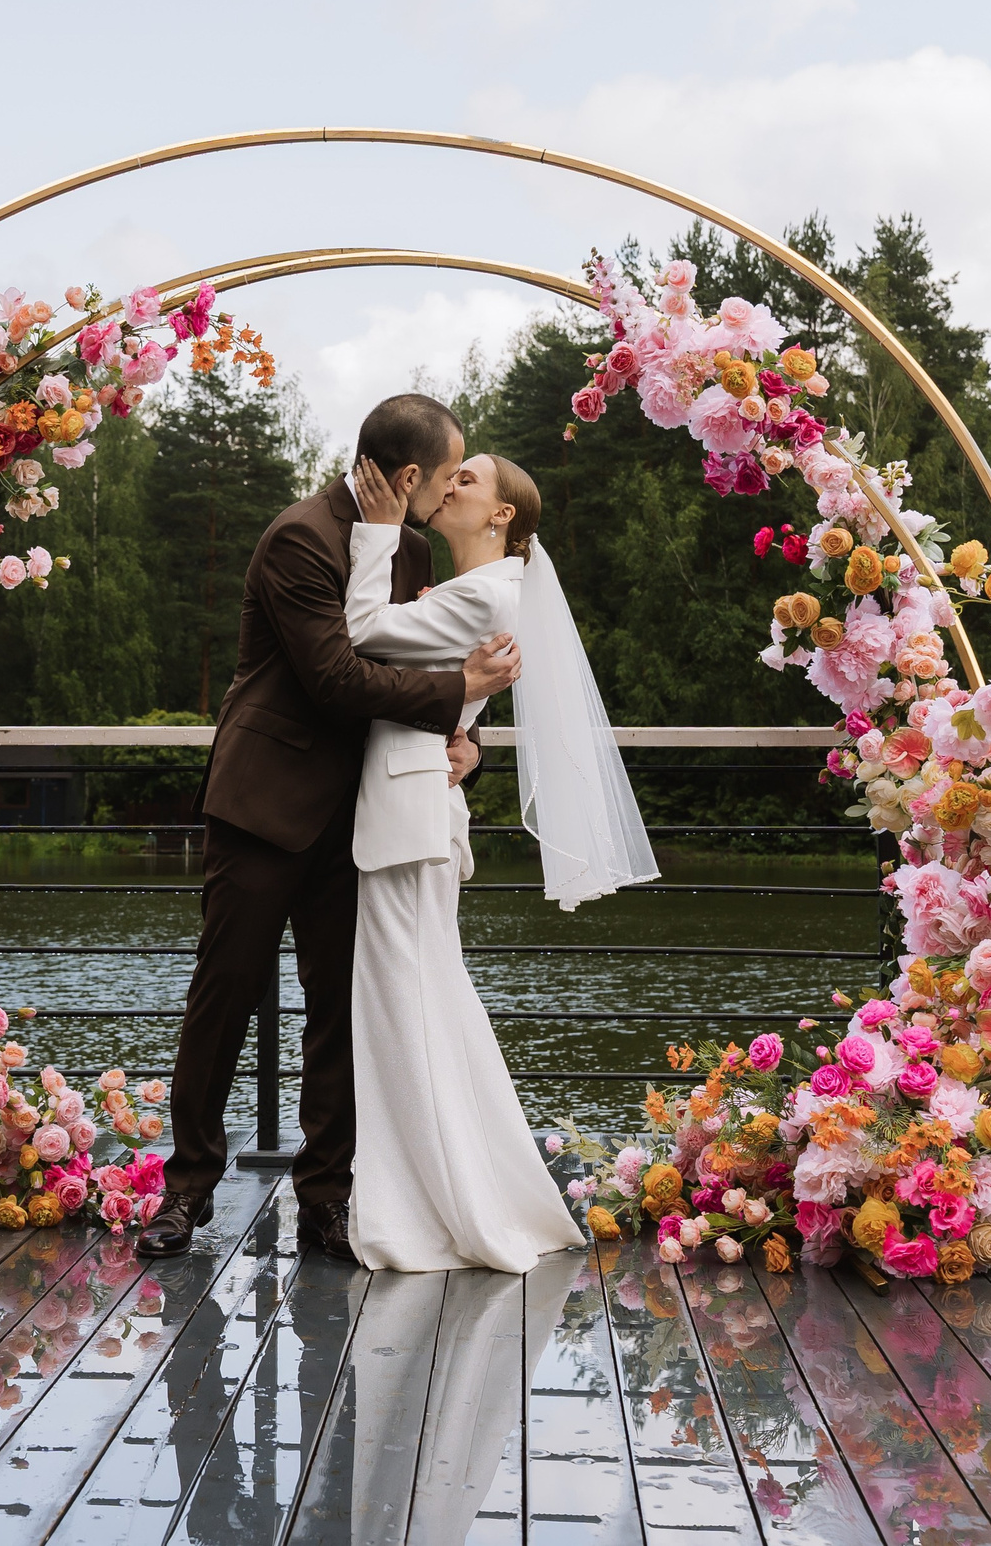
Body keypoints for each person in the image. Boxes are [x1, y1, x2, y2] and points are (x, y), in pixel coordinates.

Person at [139, 394, 520, 1263]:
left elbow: (434, 666)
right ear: (413, 475)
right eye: (446, 473)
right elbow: (335, 680)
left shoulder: (417, 549)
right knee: (223, 995)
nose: (445, 492)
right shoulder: (299, 538)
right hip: (264, 805)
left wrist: (472, 745)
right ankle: (185, 1191)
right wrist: (452, 691)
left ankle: (328, 1200)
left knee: (340, 1010)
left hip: (362, 819)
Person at [341, 451, 658, 1271]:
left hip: (408, 814)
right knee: (423, 1001)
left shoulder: (488, 590)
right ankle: (454, 1189)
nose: (450, 486)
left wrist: (377, 533)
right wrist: (470, 743)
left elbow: (361, 636)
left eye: (467, 481)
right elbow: (440, 677)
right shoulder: (479, 591)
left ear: (502, 515)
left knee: (405, 1006)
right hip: (417, 807)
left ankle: (440, 1206)